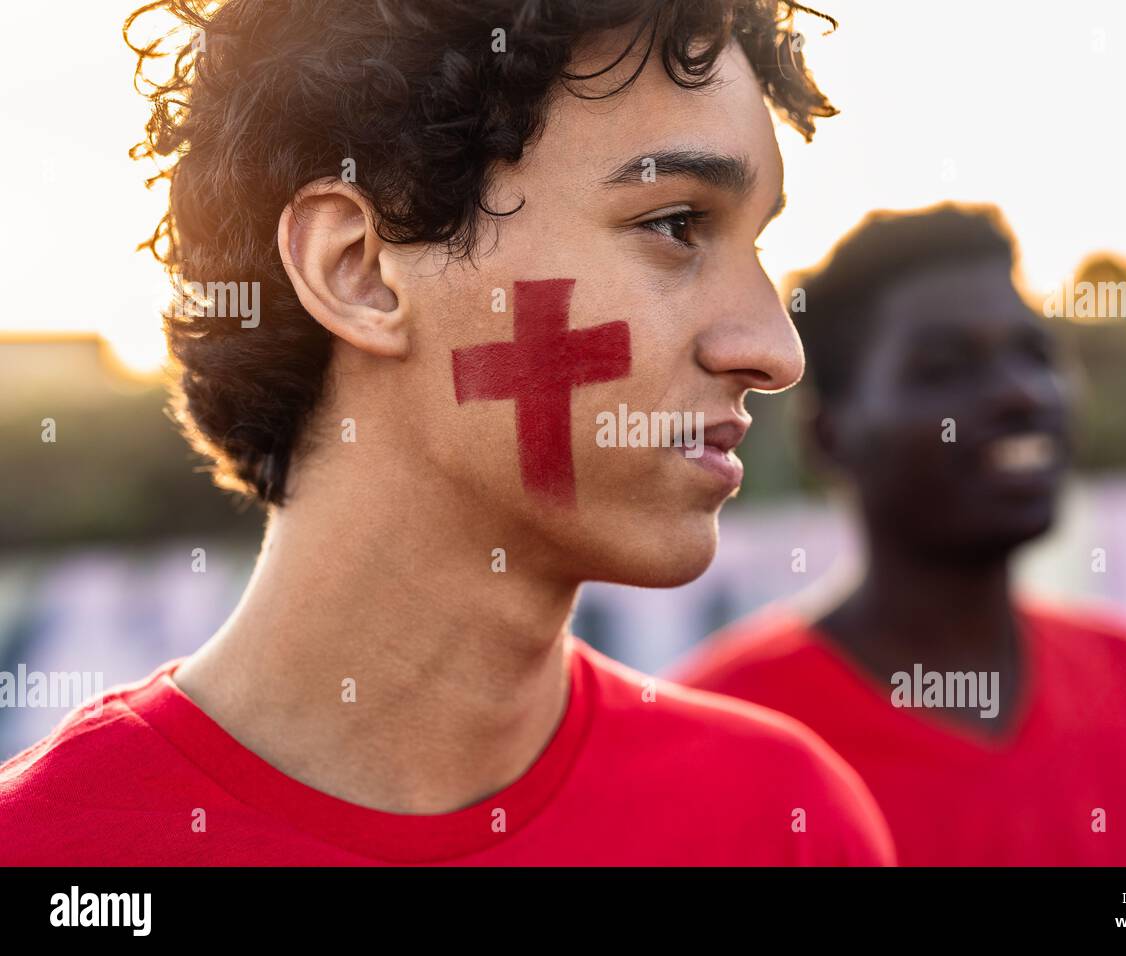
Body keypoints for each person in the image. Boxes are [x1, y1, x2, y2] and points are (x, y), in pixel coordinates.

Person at [0, 0, 896, 866]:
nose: (776, 350)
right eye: (675, 225)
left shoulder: (780, 824)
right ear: (358, 272)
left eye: (757, 244)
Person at [672, 204, 1126, 865]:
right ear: (830, 435)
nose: (1022, 394)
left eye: (1035, 353)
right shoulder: (713, 738)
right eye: (944, 366)